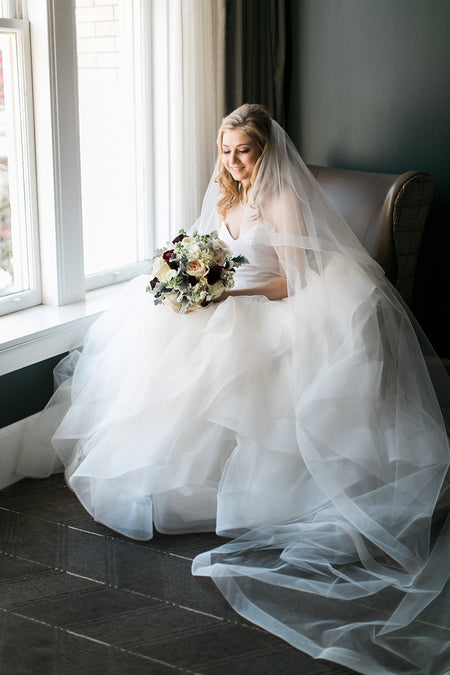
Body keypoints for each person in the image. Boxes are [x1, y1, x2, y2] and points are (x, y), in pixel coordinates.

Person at [18, 104, 449, 675]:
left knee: (232, 371)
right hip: (226, 299)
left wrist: (227, 297)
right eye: (226, 150)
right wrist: (189, 280)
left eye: (243, 151)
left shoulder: (283, 200)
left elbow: (291, 279)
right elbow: (212, 253)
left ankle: (248, 488)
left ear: (266, 151)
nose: (233, 162)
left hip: (271, 306)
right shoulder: (226, 196)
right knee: (157, 357)